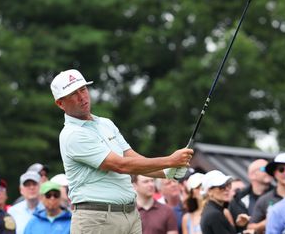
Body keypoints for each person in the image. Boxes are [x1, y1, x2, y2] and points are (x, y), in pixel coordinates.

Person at [50, 69, 193, 233]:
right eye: (73, 94)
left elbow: (131, 157)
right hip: (96, 219)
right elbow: (121, 165)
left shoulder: (106, 123)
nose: (82, 97)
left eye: (83, 89)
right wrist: (170, 160)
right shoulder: (72, 135)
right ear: (60, 103)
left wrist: (166, 172)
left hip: (130, 215)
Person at [248, 152, 285, 234]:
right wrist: (268, 221)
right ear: (274, 173)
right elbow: (250, 227)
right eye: (281, 169)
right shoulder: (264, 199)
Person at [229, 159, 272, 232]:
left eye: (270, 169)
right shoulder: (238, 199)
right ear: (252, 175)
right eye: (264, 169)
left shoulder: (278, 195)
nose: (269, 171)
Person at [200, 170, 236, 234]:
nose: (227, 189)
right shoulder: (214, 214)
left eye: (228, 185)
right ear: (209, 191)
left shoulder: (213, 210)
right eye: (221, 187)